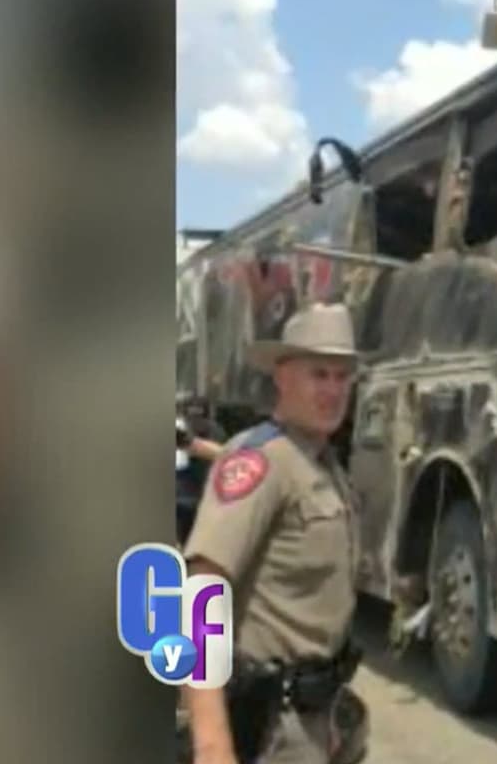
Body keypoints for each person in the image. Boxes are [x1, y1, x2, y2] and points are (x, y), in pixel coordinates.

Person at [181, 303, 368, 764]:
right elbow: (202, 593)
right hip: (269, 727)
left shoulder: (324, 466)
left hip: (315, 718)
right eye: (318, 374)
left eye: (342, 376)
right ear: (282, 377)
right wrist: (211, 744)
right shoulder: (260, 462)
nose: (332, 389)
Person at [176, 396, 226, 546]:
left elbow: (221, 455)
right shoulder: (183, 431)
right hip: (184, 498)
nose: (196, 421)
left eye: (199, 416)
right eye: (191, 416)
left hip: (204, 498)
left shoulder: (215, 432)